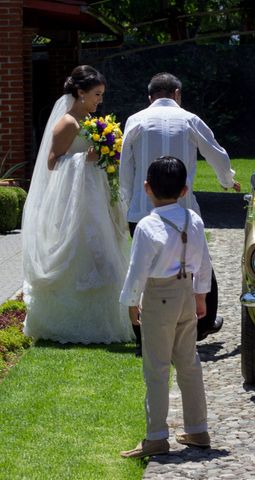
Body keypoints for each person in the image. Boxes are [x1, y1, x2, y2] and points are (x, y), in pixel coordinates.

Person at [119, 72, 240, 352]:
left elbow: (126, 166)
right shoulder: (189, 119)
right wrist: (226, 180)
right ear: (177, 94)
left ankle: (144, 333)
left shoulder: (136, 120)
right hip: (182, 209)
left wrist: (129, 200)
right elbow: (217, 154)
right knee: (197, 264)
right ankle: (204, 321)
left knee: (144, 269)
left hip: (143, 209)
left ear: (150, 97)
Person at [22, 65, 133, 344]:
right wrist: (87, 159)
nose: (100, 100)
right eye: (96, 94)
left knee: (105, 252)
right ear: (80, 93)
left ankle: (109, 317)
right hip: (76, 202)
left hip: (96, 196)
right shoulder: (68, 123)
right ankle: (72, 321)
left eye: (102, 94)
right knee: (84, 253)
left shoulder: (92, 123)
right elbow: (51, 162)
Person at [120, 156, 211, 458]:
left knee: (157, 367)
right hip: (186, 292)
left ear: (147, 188)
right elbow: (203, 263)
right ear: (185, 190)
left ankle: (156, 436)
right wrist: (200, 295)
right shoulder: (193, 219)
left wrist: (132, 301)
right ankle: (198, 429)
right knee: (189, 362)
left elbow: (138, 269)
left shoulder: (148, 226)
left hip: (159, 296)